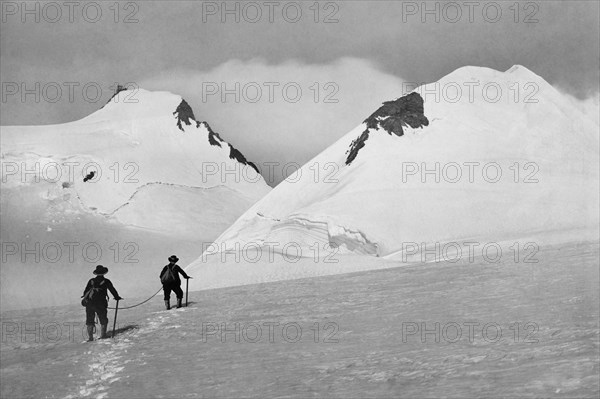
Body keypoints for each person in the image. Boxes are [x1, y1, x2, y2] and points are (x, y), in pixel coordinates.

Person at [82, 265, 122, 341]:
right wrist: (117, 297)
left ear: (96, 273)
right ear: (104, 273)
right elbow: (112, 290)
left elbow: (85, 292)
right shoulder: (106, 281)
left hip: (90, 304)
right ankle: (103, 335)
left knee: (89, 320)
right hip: (101, 304)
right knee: (103, 319)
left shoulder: (91, 281)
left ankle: (90, 338)